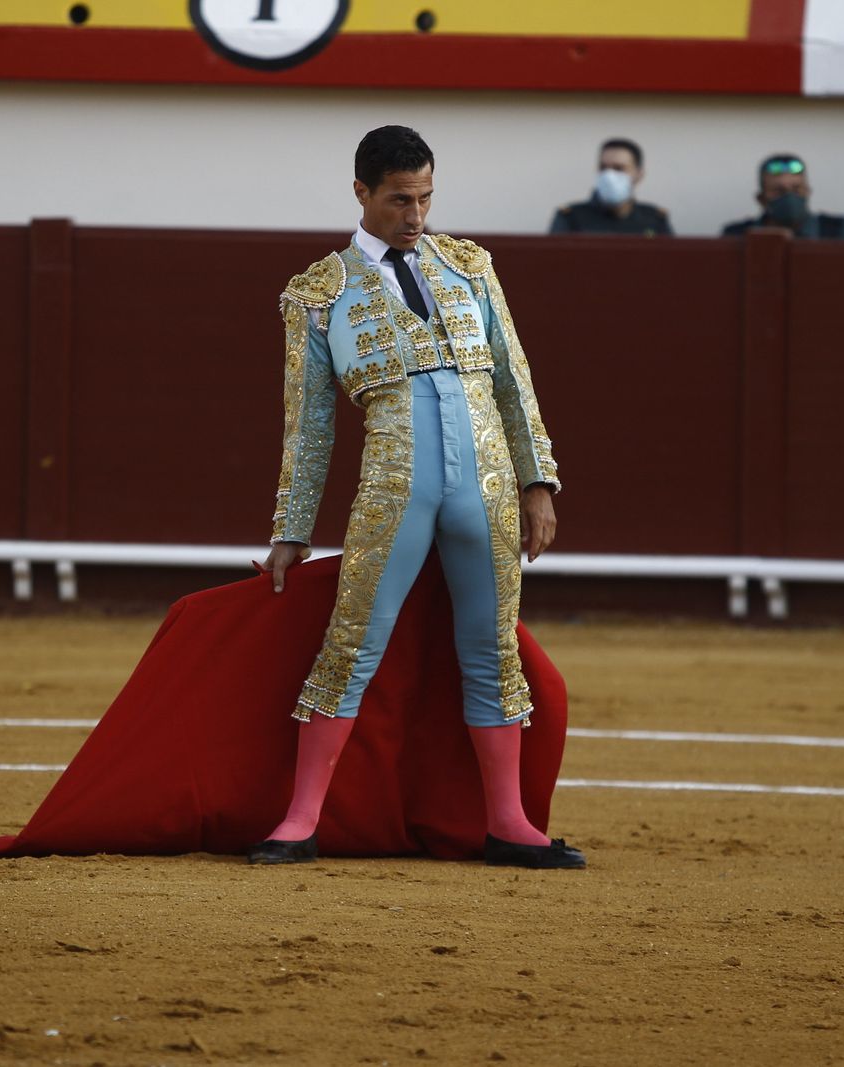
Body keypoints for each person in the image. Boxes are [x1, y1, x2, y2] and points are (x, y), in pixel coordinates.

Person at [253, 125, 584, 870]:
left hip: (490, 482)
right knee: (350, 644)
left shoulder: (469, 264)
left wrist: (538, 481)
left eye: (426, 197)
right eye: (400, 199)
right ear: (361, 193)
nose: (416, 214)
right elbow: (308, 425)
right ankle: (300, 818)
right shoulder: (314, 294)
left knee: (492, 650)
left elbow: (510, 378)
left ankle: (509, 822)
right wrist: (291, 527)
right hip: (395, 485)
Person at [722, 153, 844, 241]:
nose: (790, 197)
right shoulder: (737, 235)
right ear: (761, 199)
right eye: (778, 191)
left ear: (808, 192)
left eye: (797, 189)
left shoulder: (835, 230)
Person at [549, 138, 672, 236]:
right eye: (603, 168)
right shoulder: (571, 218)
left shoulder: (654, 220)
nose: (609, 175)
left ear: (639, 174)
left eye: (619, 169)